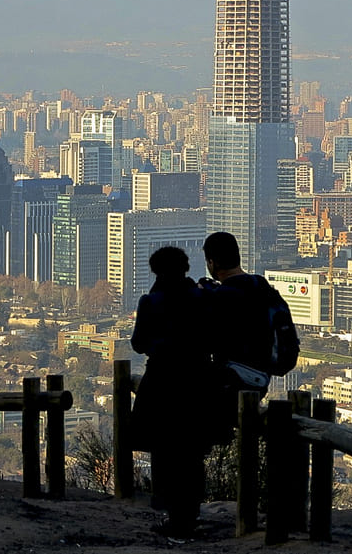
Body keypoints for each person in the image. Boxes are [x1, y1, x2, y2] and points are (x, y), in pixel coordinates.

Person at [130, 245, 211, 539]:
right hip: (198, 382)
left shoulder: (151, 302)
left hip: (162, 382)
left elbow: (138, 343)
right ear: (186, 268)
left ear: (155, 271)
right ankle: (190, 513)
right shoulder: (202, 298)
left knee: (164, 450)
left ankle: (172, 514)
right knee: (192, 451)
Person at [201, 231, 299, 424]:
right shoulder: (266, 290)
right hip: (261, 382)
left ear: (211, 263)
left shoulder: (220, 298)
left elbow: (204, 343)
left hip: (230, 382)